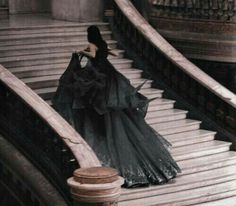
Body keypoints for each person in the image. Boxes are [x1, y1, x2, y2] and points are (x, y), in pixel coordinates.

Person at [52, 25, 181, 188]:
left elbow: (91, 53)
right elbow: (112, 53)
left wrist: (80, 53)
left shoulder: (92, 45)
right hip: (109, 78)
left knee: (97, 109)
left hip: (100, 82)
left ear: (89, 36)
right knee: (117, 118)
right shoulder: (103, 44)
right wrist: (100, 53)